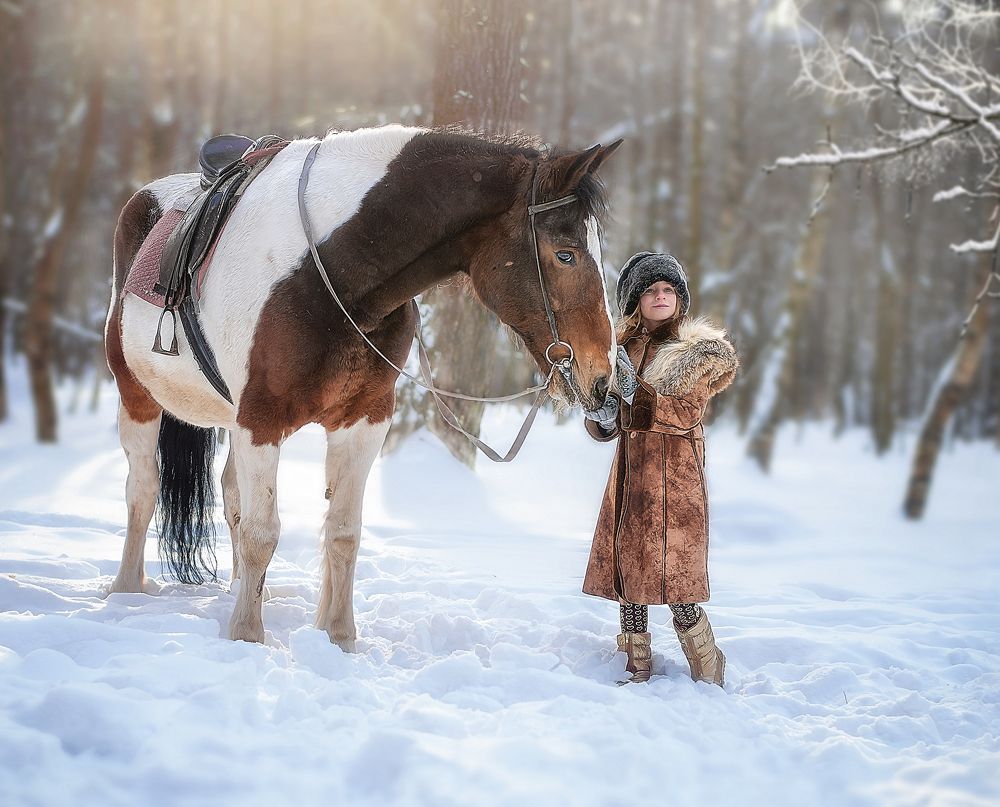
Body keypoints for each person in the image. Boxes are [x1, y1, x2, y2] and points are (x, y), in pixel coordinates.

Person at [582, 252, 739, 686]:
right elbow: (608, 422)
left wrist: (640, 395)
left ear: (680, 298)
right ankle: (635, 663)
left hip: (675, 481)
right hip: (632, 477)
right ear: (635, 299)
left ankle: (708, 664)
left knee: (674, 579)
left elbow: (685, 412)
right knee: (630, 573)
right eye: (651, 290)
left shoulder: (694, 353)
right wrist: (604, 413)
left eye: (669, 289)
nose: (661, 296)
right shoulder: (619, 350)